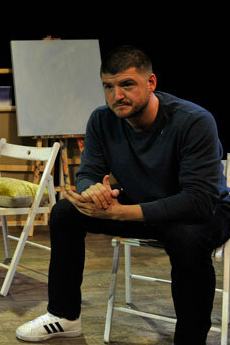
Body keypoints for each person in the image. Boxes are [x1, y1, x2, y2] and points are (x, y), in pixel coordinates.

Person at [16, 46, 230, 343]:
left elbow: (198, 200)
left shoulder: (193, 121)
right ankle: (64, 316)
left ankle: (190, 338)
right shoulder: (102, 120)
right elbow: (88, 172)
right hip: (144, 204)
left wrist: (122, 212)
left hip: (203, 212)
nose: (117, 95)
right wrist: (92, 190)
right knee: (65, 213)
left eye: (127, 85)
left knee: (187, 238)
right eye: (109, 87)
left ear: (151, 83)